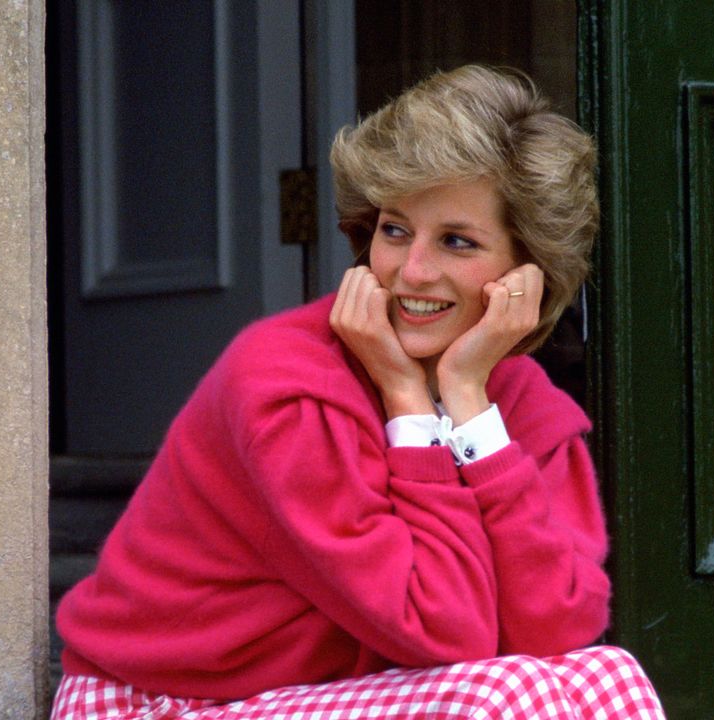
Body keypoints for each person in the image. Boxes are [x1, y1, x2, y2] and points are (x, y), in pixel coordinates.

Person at [52, 65, 665, 720]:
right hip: (158, 702)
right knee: (499, 700)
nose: (412, 272)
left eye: (457, 240)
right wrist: (406, 399)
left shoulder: (518, 405)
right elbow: (445, 633)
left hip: (334, 694)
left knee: (607, 674)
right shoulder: (287, 386)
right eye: (395, 230)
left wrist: (466, 402)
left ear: (527, 271)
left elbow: (557, 630)